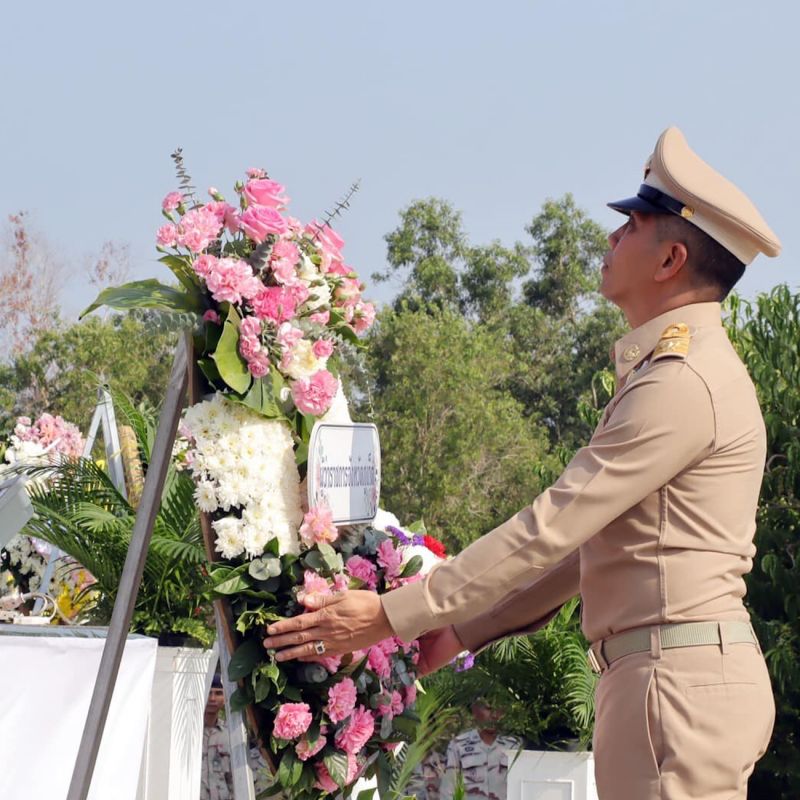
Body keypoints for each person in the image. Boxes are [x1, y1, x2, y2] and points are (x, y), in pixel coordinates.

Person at [263, 127, 780, 800]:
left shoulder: (682, 380)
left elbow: (551, 527)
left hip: (673, 689)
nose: (611, 238)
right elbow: (587, 551)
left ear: (670, 259)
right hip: (672, 681)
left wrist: (394, 613)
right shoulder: (673, 369)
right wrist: (453, 630)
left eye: (631, 226)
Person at [438, 699, 520, 800]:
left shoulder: (514, 746)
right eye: (489, 709)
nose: (494, 715)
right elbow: (448, 789)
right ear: (475, 710)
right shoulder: (459, 745)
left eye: (498, 709)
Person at [200, 675, 233, 800]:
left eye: (218, 693)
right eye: (208, 693)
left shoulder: (229, 734)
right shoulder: (189, 734)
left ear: (225, 698)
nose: (212, 698)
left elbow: (233, 778)